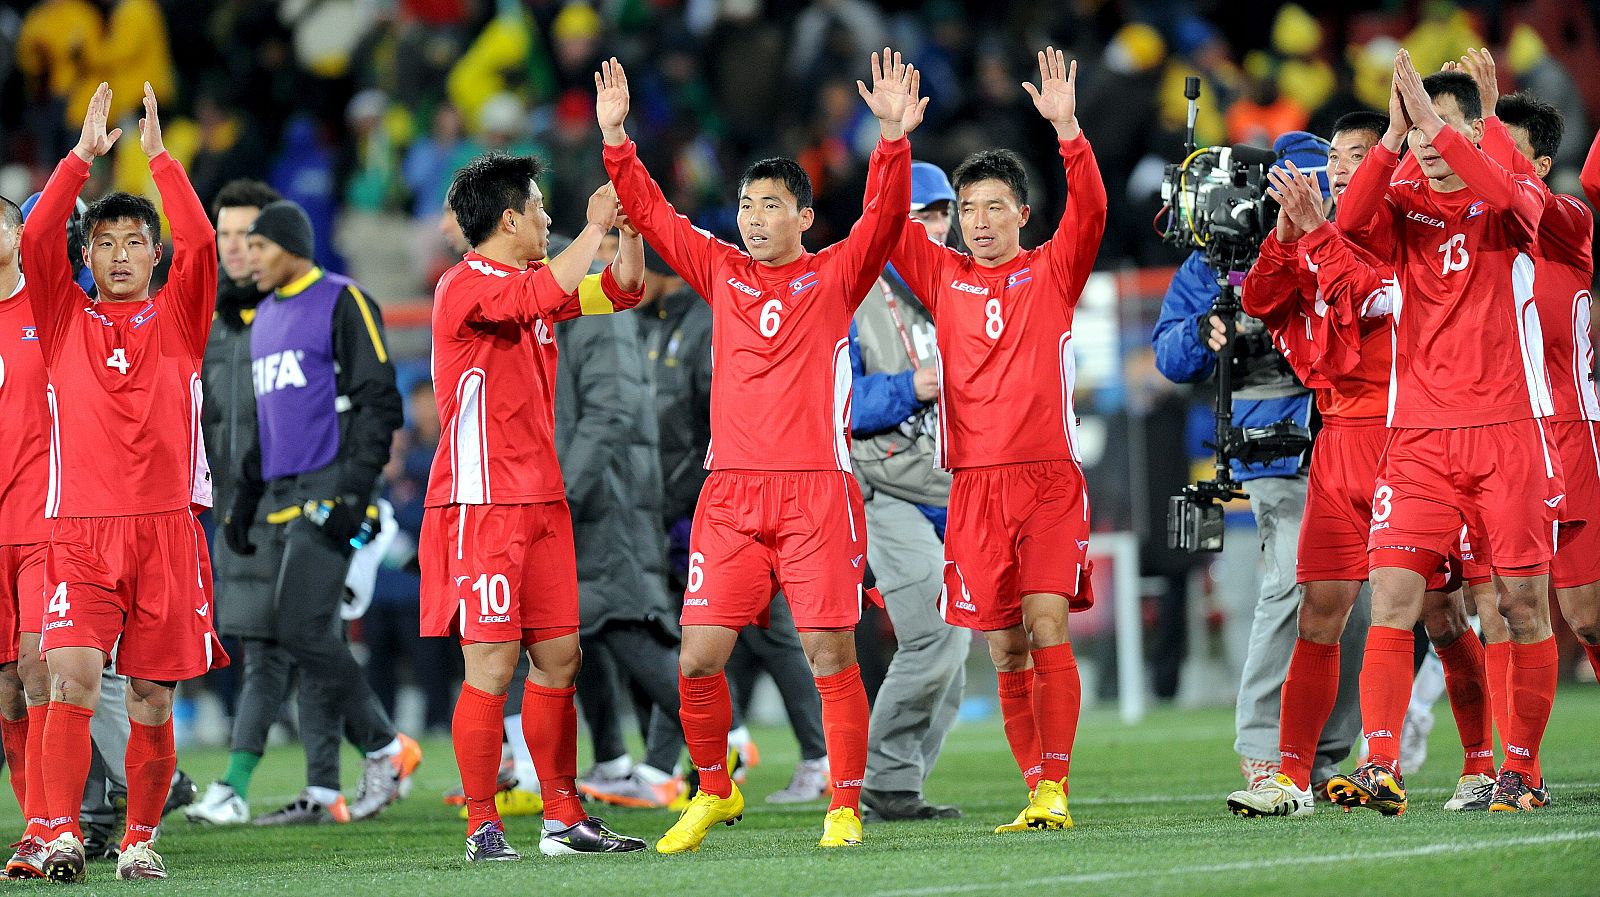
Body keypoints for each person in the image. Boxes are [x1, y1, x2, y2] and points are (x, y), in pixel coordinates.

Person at [597, 48, 916, 851]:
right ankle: (714, 789)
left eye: (771, 204)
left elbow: (883, 220)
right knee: (697, 658)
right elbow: (657, 217)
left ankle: (844, 804)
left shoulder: (835, 275)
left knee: (828, 652)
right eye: (745, 204)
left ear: (803, 217)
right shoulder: (722, 272)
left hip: (816, 491)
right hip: (731, 493)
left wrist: (890, 139)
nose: (753, 217)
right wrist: (616, 140)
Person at [1225, 114, 1492, 817]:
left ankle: (1478, 763)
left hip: (1408, 438)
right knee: (1319, 610)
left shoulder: (1405, 234)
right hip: (1337, 442)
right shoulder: (1321, 234)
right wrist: (1286, 236)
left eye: (1359, 154)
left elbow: (1371, 296)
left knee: (1439, 612)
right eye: (1336, 156)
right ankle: (1290, 777)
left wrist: (1316, 232)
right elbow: (1258, 299)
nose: (1342, 167)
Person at [1328, 53, 1560, 815]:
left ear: (1472, 129)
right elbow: (1349, 225)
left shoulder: (1512, 190)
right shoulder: (1404, 200)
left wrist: (1459, 127)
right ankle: (1381, 762)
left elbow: (1514, 198)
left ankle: (1520, 770)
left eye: (1441, 127)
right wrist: (1395, 137)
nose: (1430, 143)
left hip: (1507, 433)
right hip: (1420, 438)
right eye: (1420, 129)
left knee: (1519, 606)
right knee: (1393, 596)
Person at [885, 48, 1106, 831]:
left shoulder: (1052, 271)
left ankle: (1057, 787)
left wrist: (1068, 131)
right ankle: (1035, 786)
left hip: (1047, 481)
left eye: (993, 207)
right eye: (967, 208)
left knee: (1047, 624)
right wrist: (892, 139)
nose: (978, 222)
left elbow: (1092, 213)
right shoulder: (940, 276)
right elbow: (884, 225)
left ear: (1022, 213)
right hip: (974, 486)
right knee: (1006, 650)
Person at [421, 153, 649, 861]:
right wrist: (595, 225)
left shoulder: (535, 282)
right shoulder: (465, 286)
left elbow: (622, 290)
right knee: (491, 665)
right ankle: (481, 825)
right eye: (540, 208)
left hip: (544, 498)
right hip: (483, 501)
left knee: (560, 658)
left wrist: (629, 232)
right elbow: (545, 293)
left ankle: (562, 818)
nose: (549, 220)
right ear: (509, 219)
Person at [25, 81, 226, 883]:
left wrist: (161, 161)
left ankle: (140, 838)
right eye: (103, 242)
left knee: (150, 698)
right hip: (79, 531)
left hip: (166, 531)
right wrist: (80, 157)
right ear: (86, 258)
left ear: (153, 254)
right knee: (70, 677)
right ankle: (62, 834)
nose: (117, 253)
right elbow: (36, 234)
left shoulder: (180, 316)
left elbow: (203, 241)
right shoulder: (61, 317)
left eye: (133, 241)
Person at [221, 199, 420, 825]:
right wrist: (245, 502)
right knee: (309, 637)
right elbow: (267, 422)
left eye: (259, 245)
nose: (248, 256)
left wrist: (355, 494)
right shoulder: (263, 317)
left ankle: (386, 749)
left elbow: (380, 400)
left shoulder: (342, 299)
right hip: (282, 499)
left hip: (331, 491)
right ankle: (334, 781)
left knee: (303, 631)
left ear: (290, 246)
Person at [1152, 130, 1340, 791]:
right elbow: (1169, 355)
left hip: (1349, 440)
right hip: (1273, 446)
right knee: (1291, 583)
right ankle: (1263, 745)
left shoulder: (1345, 240)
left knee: (1363, 598)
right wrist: (1204, 331)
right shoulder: (1220, 254)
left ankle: (1326, 752)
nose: (1313, 202)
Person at [634, 245, 827, 804]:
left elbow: (710, 421)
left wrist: (689, 497)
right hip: (682, 506)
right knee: (699, 636)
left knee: (771, 633)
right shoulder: (648, 322)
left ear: (661, 268)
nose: (617, 269)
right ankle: (720, 746)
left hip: (723, 501)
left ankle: (815, 756)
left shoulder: (709, 317)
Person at [848, 161, 966, 822]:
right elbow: (834, 400)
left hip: (955, 489)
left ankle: (894, 784)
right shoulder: (854, 289)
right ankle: (872, 773)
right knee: (935, 633)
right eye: (922, 214)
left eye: (942, 213)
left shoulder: (961, 285)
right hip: (885, 484)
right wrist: (908, 388)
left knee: (957, 655)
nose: (936, 226)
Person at [0, 194, 52, 878]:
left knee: (39, 668)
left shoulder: (52, 309)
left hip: (45, 523)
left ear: (19, 235)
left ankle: (48, 826)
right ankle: (33, 823)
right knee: (8, 687)